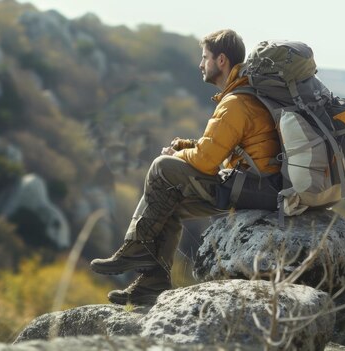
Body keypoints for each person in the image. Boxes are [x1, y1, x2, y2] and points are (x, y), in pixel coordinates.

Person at [90, 29, 282, 305]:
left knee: (162, 167)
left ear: (222, 61)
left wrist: (176, 158)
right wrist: (183, 147)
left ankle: (136, 246)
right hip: (258, 186)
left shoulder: (236, 103)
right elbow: (219, 146)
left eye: (205, 57)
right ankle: (151, 282)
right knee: (171, 204)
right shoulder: (243, 97)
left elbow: (206, 160)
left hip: (253, 189)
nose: (200, 64)